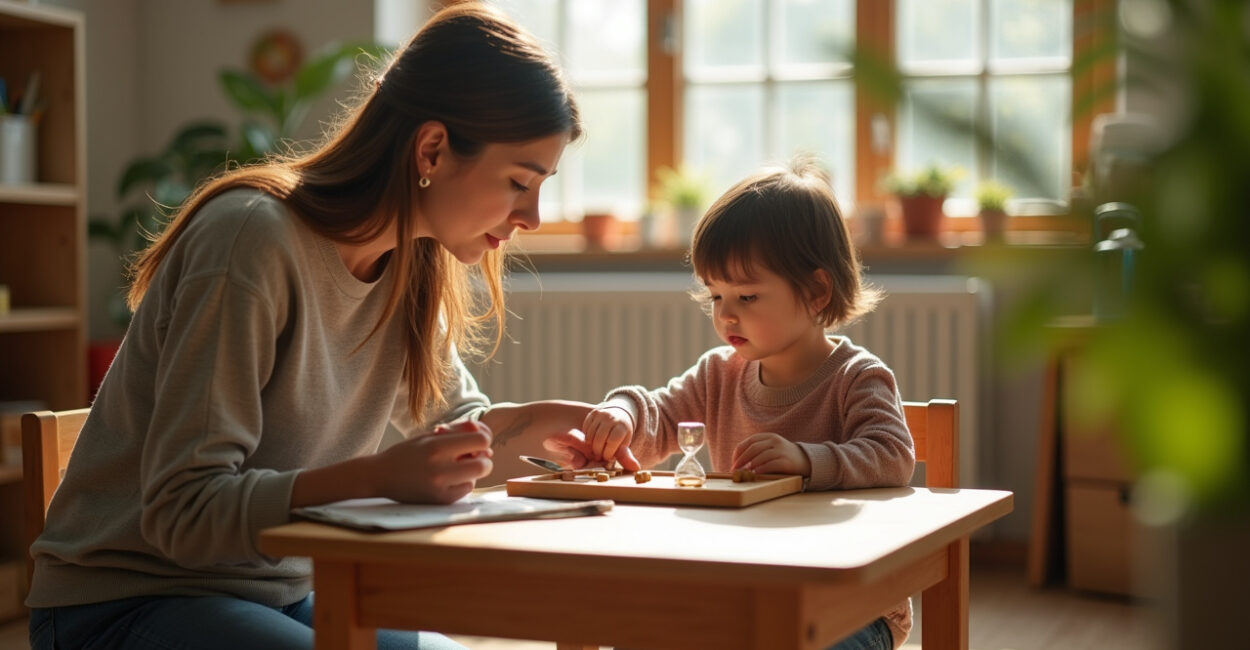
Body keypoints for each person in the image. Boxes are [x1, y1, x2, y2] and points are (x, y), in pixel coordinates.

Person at [26, 4, 592, 649]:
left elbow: (454, 431)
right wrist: (377, 478)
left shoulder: (414, 260)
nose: (535, 217)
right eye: (521, 182)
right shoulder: (251, 241)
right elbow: (183, 513)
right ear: (432, 148)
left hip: (278, 595)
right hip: (125, 600)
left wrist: (550, 427)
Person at [563, 156, 916, 650]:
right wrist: (622, 412)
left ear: (816, 292)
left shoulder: (857, 377)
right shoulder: (719, 374)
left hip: (852, 605)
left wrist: (805, 461)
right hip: (745, 590)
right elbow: (660, 415)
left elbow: (892, 456)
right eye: (715, 296)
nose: (726, 314)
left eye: (747, 297)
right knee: (638, 630)